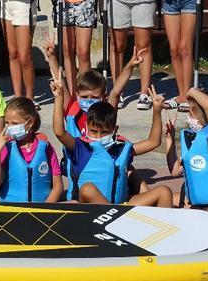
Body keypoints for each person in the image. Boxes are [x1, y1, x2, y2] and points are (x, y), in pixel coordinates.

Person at [50, 77, 173, 207]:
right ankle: (113, 217)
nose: (98, 137)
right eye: (93, 131)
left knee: (164, 191)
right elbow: (59, 132)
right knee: (87, 189)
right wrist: (58, 97)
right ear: (86, 128)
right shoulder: (80, 147)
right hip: (88, 209)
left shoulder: (121, 149)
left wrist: (157, 111)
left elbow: (153, 142)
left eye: (104, 132)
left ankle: (160, 226)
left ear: (114, 130)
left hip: (120, 205)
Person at [0, 97, 63, 203]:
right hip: (12, 211)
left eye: (14, 123)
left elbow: (58, 185)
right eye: (6, 122)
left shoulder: (45, 146)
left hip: (41, 210)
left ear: (30, 122)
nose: (9, 127)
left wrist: (45, 209)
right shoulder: (6, 147)